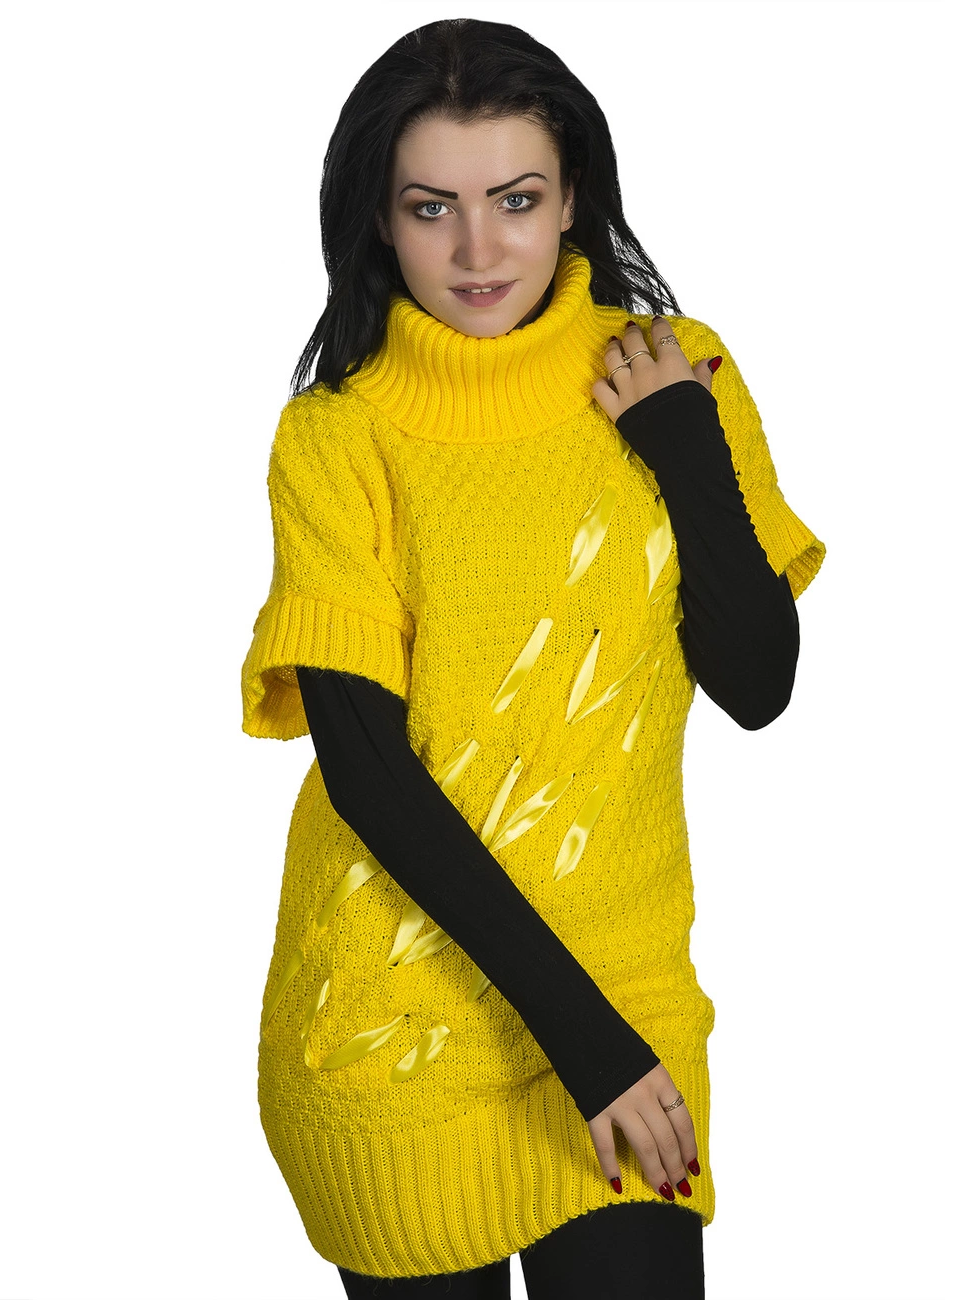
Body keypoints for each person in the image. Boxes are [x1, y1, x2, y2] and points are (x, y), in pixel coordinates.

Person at [240, 17, 825, 1299]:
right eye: (431, 208)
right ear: (380, 220)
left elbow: (759, 686)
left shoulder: (674, 370)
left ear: (571, 201)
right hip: (396, 1025)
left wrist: (685, 449)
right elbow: (370, 776)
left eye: (515, 199)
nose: (477, 249)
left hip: (628, 982)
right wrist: (586, 1046)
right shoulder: (335, 441)